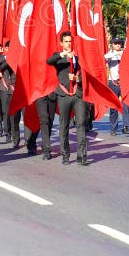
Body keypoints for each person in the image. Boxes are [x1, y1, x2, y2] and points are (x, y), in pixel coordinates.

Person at [47, 31, 90, 165]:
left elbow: (87, 73)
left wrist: (78, 79)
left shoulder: (79, 56)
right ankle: (65, 154)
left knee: (81, 124)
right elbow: (48, 61)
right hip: (64, 94)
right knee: (64, 125)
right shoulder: (58, 57)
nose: (69, 43)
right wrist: (62, 54)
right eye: (66, 41)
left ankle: (82, 155)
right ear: (61, 43)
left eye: (70, 41)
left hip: (78, 95)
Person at [104, 37, 128, 135]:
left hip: (124, 82)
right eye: (116, 43)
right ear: (112, 45)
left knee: (126, 105)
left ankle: (126, 126)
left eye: (119, 43)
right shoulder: (110, 54)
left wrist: (122, 54)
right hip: (113, 82)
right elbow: (104, 58)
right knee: (113, 106)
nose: (118, 45)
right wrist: (116, 53)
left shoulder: (125, 54)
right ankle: (113, 128)